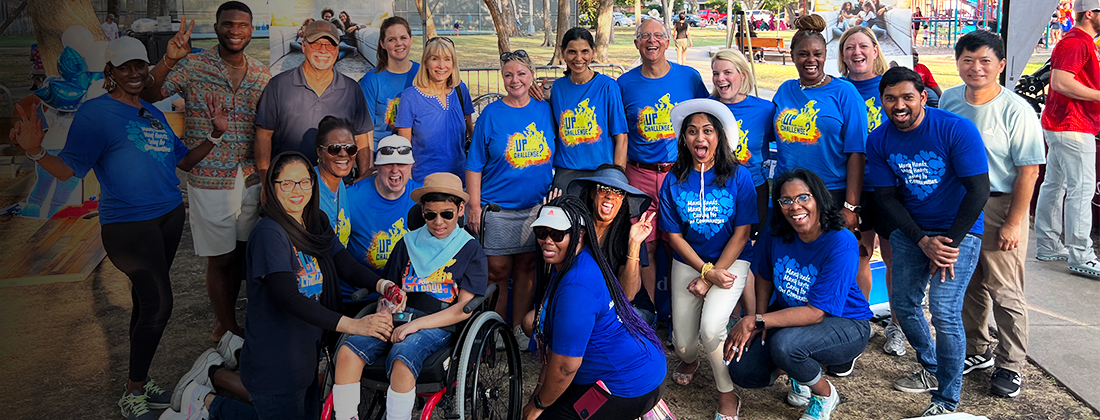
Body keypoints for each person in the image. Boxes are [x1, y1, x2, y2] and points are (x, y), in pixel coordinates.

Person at [10, 36, 223, 420]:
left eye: (140, 65)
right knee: (160, 304)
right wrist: (35, 151)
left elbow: (185, 162)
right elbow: (69, 170)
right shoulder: (94, 114)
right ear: (110, 72)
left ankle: (139, 379)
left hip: (169, 217)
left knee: (144, 303)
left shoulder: (152, 113)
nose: (135, 73)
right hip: (128, 225)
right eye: (125, 67)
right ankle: (133, 391)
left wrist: (215, 134)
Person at [173, 151, 399, 420]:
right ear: (273, 186)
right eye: (287, 183)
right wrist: (355, 325)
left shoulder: (316, 222)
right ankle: (206, 403)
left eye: (304, 182)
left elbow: (345, 264)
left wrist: (384, 285)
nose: (297, 190)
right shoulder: (269, 233)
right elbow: (287, 296)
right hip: (275, 360)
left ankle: (204, 399)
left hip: (305, 353)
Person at [142, 1, 271, 343]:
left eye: (242, 25)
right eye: (228, 24)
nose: (235, 31)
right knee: (221, 257)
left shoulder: (261, 74)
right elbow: (149, 93)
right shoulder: (192, 65)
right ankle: (226, 327)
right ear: (216, 28)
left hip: (251, 179)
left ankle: (233, 317)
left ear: (251, 29)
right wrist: (169, 59)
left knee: (245, 255)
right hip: (210, 178)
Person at [867, 67, 990, 416]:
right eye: (890, 99)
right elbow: (887, 198)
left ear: (923, 97)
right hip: (914, 231)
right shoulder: (878, 139)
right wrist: (923, 241)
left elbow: (978, 190)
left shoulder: (955, 129)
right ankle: (932, 367)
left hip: (960, 230)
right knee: (903, 305)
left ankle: (946, 401)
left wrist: (948, 244)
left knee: (944, 311)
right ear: (882, 101)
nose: (899, 105)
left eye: (907, 97)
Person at [332, 172, 488, 420]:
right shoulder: (407, 243)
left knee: (402, 357)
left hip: (438, 322)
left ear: (460, 210)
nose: (438, 222)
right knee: (347, 351)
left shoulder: (470, 250)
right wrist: (384, 310)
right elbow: (388, 288)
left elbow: (463, 309)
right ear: (422, 211)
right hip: (398, 317)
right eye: (430, 215)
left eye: (447, 214)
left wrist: (415, 325)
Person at [941, 30, 1044, 399]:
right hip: (961, 203)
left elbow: (1029, 170)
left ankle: (1011, 363)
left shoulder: (1017, 111)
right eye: (967, 60)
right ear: (958, 63)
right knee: (968, 280)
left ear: (1001, 65)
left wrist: (1015, 222)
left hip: (1001, 204)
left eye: (985, 60)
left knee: (1005, 289)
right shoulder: (949, 99)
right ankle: (977, 348)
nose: (976, 68)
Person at [724, 169, 873, 420]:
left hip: (845, 323)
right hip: (792, 317)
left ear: (819, 199)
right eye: (786, 201)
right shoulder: (777, 233)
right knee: (742, 369)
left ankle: (824, 394)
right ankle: (799, 373)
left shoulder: (841, 241)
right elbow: (765, 276)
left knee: (787, 346)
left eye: (803, 198)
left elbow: (816, 313)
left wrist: (756, 320)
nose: (795, 207)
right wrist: (761, 318)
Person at [773, 20, 868, 374]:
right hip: (787, 194)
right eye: (802, 54)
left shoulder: (845, 93)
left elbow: (857, 152)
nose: (810, 60)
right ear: (793, 56)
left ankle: (841, 341)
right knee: (796, 265)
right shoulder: (783, 91)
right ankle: (796, 336)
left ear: (827, 55)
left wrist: (851, 205)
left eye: (816, 53)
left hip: (831, 194)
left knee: (842, 265)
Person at [521, 196, 666, 420]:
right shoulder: (580, 259)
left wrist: (539, 404)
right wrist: (540, 389)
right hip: (641, 369)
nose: (547, 241)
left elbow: (565, 367)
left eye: (557, 234)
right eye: (542, 233)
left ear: (579, 234)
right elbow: (556, 352)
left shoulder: (576, 286)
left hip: (628, 387)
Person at [658, 99, 756, 420]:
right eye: (692, 132)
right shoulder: (672, 180)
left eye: (708, 131)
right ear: (683, 138)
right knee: (683, 344)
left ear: (720, 137)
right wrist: (704, 271)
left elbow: (742, 234)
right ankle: (691, 360)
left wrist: (713, 274)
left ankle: (727, 393)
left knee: (711, 330)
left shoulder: (739, 177)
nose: (700, 138)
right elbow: (674, 237)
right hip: (691, 261)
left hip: (733, 260)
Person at [618, 18, 709, 308]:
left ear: (669, 42)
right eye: (645, 36)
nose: (652, 40)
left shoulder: (689, 77)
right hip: (639, 173)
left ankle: (680, 314)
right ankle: (652, 312)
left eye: (658, 35)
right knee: (646, 244)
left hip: (679, 173)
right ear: (636, 43)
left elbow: (708, 117)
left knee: (678, 243)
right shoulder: (624, 83)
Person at [466, 50, 554, 348]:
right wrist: (474, 205)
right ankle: (495, 329)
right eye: (508, 74)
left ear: (532, 76)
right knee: (498, 271)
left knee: (528, 267)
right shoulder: (491, 114)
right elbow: (474, 163)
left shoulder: (545, 110)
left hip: (534, 208)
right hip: (498, 208)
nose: (515, 80)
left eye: (521, 74)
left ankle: (518, 329)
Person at [837, 25, 903, 358]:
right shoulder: (838, 88)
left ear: (876, 50)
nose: (857, 53)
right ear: (842, 54)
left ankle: (897, 325)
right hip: (853, 186)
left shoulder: (891, 86)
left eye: (864, 46)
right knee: (859, 254)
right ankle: (857, 322)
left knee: (893, 258)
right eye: (850, 47)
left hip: (889, 186)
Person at [256, 20, 373, 183]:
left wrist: (362, 181)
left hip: (338, 188)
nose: (323, 50)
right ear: (303, 46)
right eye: (316, 43)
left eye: (330, 44)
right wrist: (265, 183)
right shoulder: (278, 86)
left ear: (337, 49)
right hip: (289, 186)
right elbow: (263, 136)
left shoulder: (351, 89)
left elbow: (361, 137)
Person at [1034, 0, 1100, 276]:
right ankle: (1081, 254)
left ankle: (1049, 244)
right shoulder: (1078, 42)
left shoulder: (1075, 40)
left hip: (1063, 123)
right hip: (1073, 124)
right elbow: (1060, 81)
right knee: (1080, 190)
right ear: (1090, 14)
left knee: (1056, 185)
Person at [566, 164, 657, 325]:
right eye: (603, 189)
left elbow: (628, 295)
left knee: (600, 323)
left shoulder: (630, 232)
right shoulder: (576, 229)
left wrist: (634, 244)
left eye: (618, 192)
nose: (610, 196)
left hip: (630, 309)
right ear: (593, 192)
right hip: (589, 304)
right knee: (531, 321)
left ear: (623, 200)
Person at [346, 135, 421, 311]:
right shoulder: (351, 198)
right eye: (388, 165)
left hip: (405, 295)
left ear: (411, 166)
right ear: (377, 167)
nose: (395, 171)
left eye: (401, 164)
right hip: (358, 296)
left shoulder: (422, 197)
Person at [548, 27, 628, 191]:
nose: (579, 58)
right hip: (566, 174)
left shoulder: (608, 87)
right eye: (572, 52)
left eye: (584, 51)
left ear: (593, 51)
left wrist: (618, 179)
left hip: (601, 173)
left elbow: (621, 138)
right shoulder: (557, 88)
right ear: (563, 53)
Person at [710, 48, 775, 239]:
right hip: (715, 189)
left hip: (753, 190)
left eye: (727, 72)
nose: (720, 78)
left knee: (749, 247)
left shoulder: (765, 109)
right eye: (716, 73)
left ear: (742, 74)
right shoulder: (706, 108)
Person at [395, 36, 474, 183]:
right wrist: (409, 183)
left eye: (447, 59)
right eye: (435, 59)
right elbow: (403, 148)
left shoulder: (460, 90)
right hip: (424, 182)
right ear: (425, 62)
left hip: (459, 180)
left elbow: (473, 133)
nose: (442, 65)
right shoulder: (410, 97)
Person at [360, 17, 418, 151]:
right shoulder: (371, 80)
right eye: (391, 39)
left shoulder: (422, 75)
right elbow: (365, 130)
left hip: (416, 156)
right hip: (381, 155)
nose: (399, 43)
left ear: (411, 39)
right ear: (382, 44)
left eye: (403, 37)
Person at [314, 116, 355, 248]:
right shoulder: (308, 185)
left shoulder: (340, 184)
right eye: (334, 148)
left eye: (350, 148)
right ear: (319, 151)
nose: (343, 154)